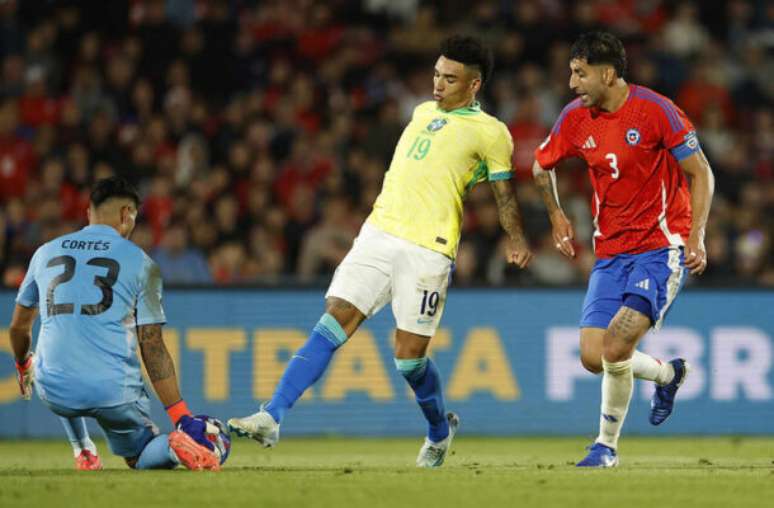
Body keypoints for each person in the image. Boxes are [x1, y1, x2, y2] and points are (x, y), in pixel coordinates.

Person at [229, 35, 533, 468]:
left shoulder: (492, 133)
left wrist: (516, 237)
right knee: (334, 317)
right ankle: (272, 414)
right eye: (436, 74)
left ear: (474, 84)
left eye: (450, 78)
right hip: (378, 233)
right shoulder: (421, 112)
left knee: (409, 361)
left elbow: (504, 194)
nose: (438, 85)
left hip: (430, 248)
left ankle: (439, 431)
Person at [531, 32, 714, 467]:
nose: (572, 83)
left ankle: (605, 447)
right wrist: (557, 216)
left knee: (615, 348)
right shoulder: (575, 118)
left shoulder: (656, 111)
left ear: (608, 73)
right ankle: (668, 375)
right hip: (610, 252)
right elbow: (541, 168)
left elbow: (701, 173)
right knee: (594, 357)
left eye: (580, 73)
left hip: (660, 247)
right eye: (571, 73)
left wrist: (697, 236)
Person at [9, 177, 221, 471]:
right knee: (140, 454)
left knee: (55, 349)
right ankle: (173, 448)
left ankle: (82, 449)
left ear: (88, 213)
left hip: (54, 391)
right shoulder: (141, 262)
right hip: (112, 393)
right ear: (126, 215)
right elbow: (151, 344)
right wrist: (181, 416)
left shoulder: (45, 252)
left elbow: (19, 328)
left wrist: (23, 366)